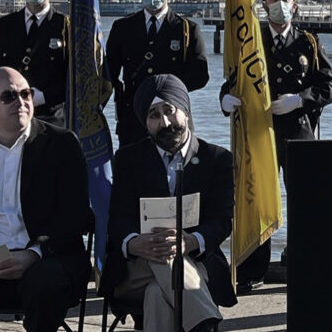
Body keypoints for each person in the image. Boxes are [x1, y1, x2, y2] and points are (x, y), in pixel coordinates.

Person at [220, 0, 332, 293]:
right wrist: (224, 100)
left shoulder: (309, 43)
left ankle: (301, 260)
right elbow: (233, 81)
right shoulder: (251, 42)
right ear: (264, 6)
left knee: (303, 199)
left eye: (285, 1)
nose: (280, 7)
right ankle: (253, 269)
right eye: (273, 1)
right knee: (257, 198)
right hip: (260, 134)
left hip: (299, 134)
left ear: (295, 7)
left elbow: (330, 88)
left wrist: (300, 100)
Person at [100, 74, 235, 332]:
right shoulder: (128, 160)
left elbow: (221, 221)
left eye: (169, 111)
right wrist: (134, 243)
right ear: (145, 123)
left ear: (185, 110)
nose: (164, 122)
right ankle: (203, 323)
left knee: (157, 294)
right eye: (153, 115)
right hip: (136, 266)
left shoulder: (216, 159)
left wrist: (190, 241)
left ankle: (201, 322)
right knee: (162, 252)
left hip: (197, 261)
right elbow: (117, 219)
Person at [0, 67, 90, 332]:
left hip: (45, 260)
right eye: (9, 96)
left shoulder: (62, 144)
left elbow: (75, 216)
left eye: (26, 93)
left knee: (45, 283)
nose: (21, 102)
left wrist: (33, 254)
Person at [107, 0, 210, 147]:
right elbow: (109, 74)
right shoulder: (122, 28)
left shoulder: (187, 29)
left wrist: (166, 93)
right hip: (134, 119)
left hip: (173, 119)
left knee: (176, 173)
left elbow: (200, 75)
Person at [0, 0, 68, 128]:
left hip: (51, 120)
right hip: (11, 118)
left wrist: (43, 96)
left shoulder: (65, 27)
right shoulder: (3, 26)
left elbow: (74, 78)